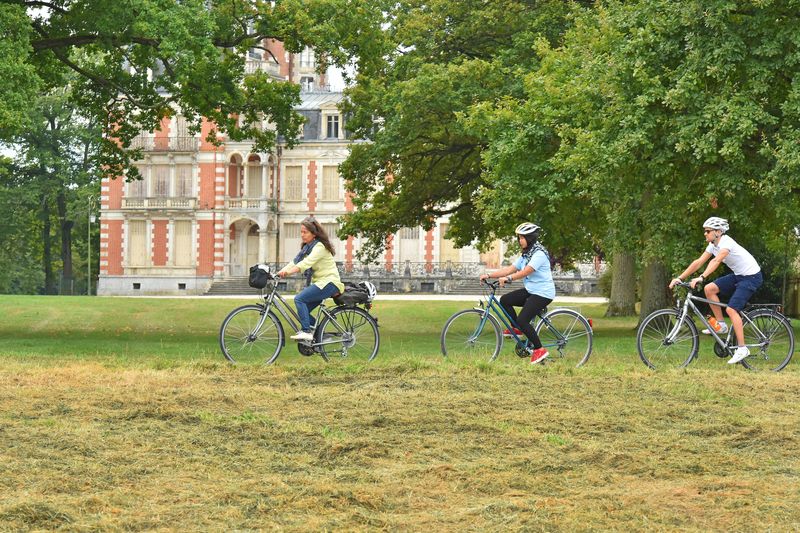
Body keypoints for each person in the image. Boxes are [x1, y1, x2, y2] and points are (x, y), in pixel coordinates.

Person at [669, 217, 762, 365]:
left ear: (718, 232)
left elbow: (716, 261)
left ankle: (742, 348)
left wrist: (701, 276)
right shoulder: (713, 245)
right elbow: (699, 262)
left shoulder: (726, 243)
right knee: (709, 288)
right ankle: (721, 325)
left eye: (707, 231)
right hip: (739, 275)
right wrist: (679, 277)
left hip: (751, 277)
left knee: (732, 310)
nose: (705, 234)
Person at [479, 222, 556, 365]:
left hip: (543, 293)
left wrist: (509, 279)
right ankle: (518, 329)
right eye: (519, 238)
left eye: (521, 238)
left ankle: (539, 349)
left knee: (523, 319)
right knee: (505, 300)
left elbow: (526, 271)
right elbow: (510, 269)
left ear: (530, 238)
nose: (519, 241)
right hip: (532, 291)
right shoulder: (526, 254)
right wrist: (489, 276)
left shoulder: (539, 254)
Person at [277, 217, 345, 341]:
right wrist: (279, 272)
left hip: (329, 283)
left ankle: (307, 332)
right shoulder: (307, 248)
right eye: (301, 232)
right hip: (320, 283)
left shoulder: (319, 247)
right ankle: (320, 336)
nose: (302, 235)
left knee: (299, 299)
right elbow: (295, 262)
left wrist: (287, 273)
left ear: (314, 233)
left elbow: (306, 263)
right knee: (303, 312)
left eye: (305, 232)